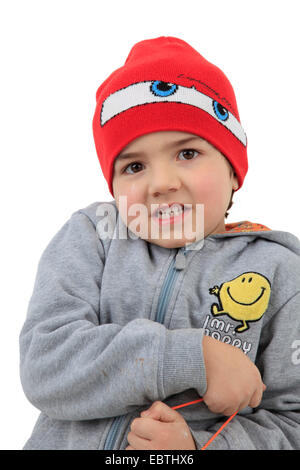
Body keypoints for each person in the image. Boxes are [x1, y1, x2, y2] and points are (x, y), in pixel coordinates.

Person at [19, 36, 300, 450]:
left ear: (234, 170)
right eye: (134, 165)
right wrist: (193, 357)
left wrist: (197, 447)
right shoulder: (92, 235)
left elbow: (291, 424)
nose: (162, 183)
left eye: (187, 153)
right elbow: (44, 364)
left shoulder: (279, 271)